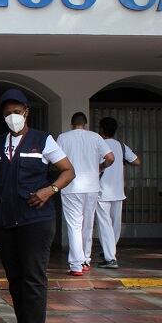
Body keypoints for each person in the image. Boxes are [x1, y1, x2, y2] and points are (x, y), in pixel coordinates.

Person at [0, 89, 75, 323]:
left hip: (36, 220)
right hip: (6, 220)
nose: (12, 116)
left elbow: (68, 171)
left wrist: (50, 190)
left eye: (17, 111)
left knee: (33, 277)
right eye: (7, 112)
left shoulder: (42, 141)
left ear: (26, 112)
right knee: (14, 277)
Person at [56, 112, 113, 276]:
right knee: (88, 224)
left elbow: (55, 159)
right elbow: (110, 157)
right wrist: (100, 167)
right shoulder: (95, 137)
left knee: (74, 225)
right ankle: (85, 260)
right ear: (86, 124)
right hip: (92, 186)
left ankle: (75, 265)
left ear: (71, 124)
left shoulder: (63, 137)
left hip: (71, 185)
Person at [95, 117, 139, 269]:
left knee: (104, 224)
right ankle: (110, 251)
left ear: (101, 129)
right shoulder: (121, 146)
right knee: (115, 225)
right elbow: (137, 161)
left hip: (102, 190)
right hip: (118, 190)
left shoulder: (99, 144)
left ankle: (110, 258)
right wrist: (123, 161)